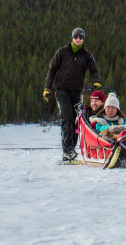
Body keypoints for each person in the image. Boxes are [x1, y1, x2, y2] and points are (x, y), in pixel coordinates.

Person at [43, 27, 101, 161]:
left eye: (81, 37)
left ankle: (72, 149)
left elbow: (94, 70)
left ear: (83, 39)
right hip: (62, 90)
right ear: (72, 38)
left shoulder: (87, 55)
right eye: (76, 37)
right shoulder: (62, 52)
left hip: (77, 91)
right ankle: (67, 150)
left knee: (77, 121)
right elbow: (52, 70)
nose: (78, 39)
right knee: (67, 118)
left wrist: (96, 82)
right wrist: (47, 88)